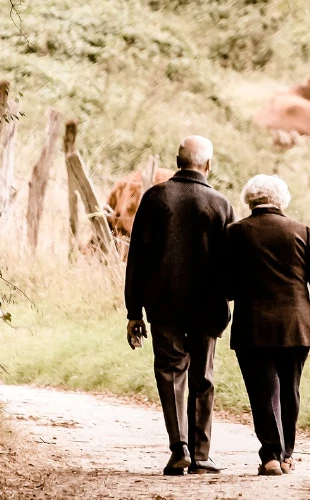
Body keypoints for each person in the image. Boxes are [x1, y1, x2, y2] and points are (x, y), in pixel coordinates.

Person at [124, 135, 236, 476]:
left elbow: (137, 259)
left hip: (164, 305)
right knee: (203, 376)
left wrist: (134, 312)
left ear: (177, 160)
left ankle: (179, 450)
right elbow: (230, 263)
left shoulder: (155, 198)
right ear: (208, 165)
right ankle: (202, 454)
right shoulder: (220, 204)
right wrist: (228, 298)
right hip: (208, 306)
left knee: (171, 374)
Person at [224, 174, 310, 476]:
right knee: (290, 389)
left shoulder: (236, 233)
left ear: (249, 200)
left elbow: (226, 284)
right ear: (281, 200)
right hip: (297, 325)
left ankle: (270, 456)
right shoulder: (302, 232)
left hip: (253, 326)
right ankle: (286, 455)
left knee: (263, 391)